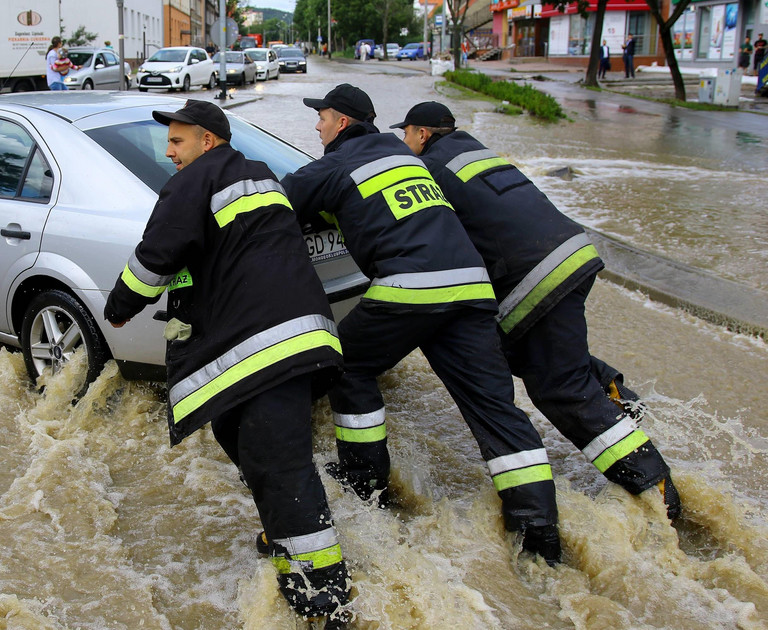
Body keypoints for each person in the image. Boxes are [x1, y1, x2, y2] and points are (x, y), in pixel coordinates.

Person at [280, 84, 563, 565]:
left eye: (322, 117)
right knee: (494, 409)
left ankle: (364, 479)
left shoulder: (335, 164)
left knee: (347, 366)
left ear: (343, 123)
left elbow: (277, 202)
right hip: (472, 290)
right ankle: (539, 533)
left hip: (411, 288)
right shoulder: (403, 153)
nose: (317, 125)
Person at [103, 100, 353, 627]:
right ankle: (281, 533)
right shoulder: (262, 176)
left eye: (177, 142)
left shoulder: (197, 181)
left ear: (207, 142)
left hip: (262, 346)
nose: (169, 153)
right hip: (303, 337)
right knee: (234, 434)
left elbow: (156, 256)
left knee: (279, 463)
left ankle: (322, 600)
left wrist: (119, 310)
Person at [391, 101, 681, 521]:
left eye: (407, 134)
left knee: (557, 387)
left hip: (537, 276)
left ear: (421, 134)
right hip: (573, 255)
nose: (405, 142)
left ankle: (655, 488)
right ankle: (613, 393)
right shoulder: (476, 150)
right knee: (527, 353)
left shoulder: (431, 168)